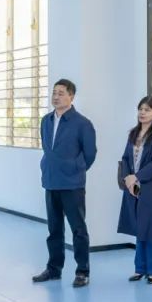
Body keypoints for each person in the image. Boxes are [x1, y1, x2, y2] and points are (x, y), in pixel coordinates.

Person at [33, 79, 97, 288]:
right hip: (51, 181)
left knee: (78, 229)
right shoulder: (46, 120)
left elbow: (90, 154)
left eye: (61, 93)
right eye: (54, 93)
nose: (56, 97)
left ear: (71, 96)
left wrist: (75, 169)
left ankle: (82, 272)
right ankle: (54, 269)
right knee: (54, 229)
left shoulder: (82, 123)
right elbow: (47, 148)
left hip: (72, 184)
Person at [117, 96, 152, 283]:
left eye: (147, 110)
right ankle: (140, 268)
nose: (142, 113)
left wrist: (137, 177)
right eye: (140, 109)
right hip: (132, 187)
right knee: (139, 227)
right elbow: (125, 158)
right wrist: (128, 179)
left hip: (151, 187)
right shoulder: (133, 133)